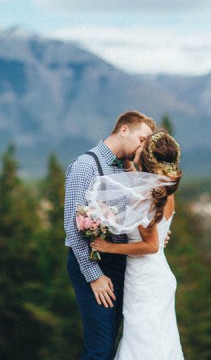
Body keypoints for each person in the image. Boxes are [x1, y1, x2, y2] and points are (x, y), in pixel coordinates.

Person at [64, 111, 156, 360]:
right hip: (93, 263)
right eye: (141, 138)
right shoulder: (86, 165)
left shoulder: (128, 170)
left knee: (113, 345)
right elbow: (72, 227)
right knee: (100, 348)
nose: (143, 146)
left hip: (121, 263)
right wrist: (94, 276)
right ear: (123, 130)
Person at [91, 130, 184, 359]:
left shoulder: (147, 195)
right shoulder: (163, 189)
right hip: (154, 275)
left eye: (142, 144)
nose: (137, 146)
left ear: (147, 157)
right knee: (156, 341)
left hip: (146, 281)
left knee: (143, 344)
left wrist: (109, 247)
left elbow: (150, 245)